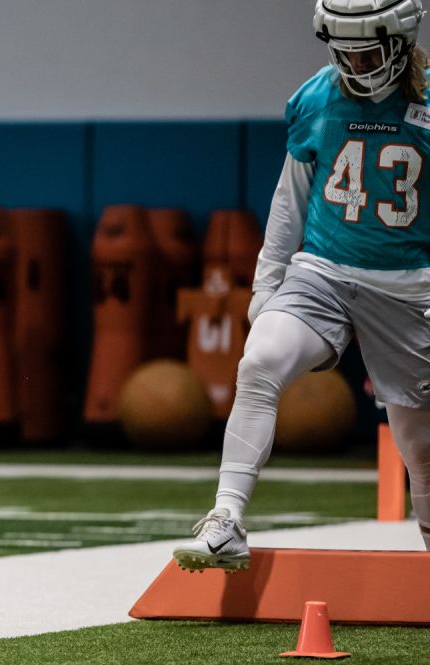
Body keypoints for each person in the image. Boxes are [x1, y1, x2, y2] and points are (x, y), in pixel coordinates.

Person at [174, 0, 430, 571]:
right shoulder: (317, 96)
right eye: (344, 50)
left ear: (401, 41)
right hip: (325, 272)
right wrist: (267, 286)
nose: (355, 64)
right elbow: (290, 200)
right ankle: (226, 520)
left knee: (420, 450)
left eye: (367, 50)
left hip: (411, 288)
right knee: (259, 360)